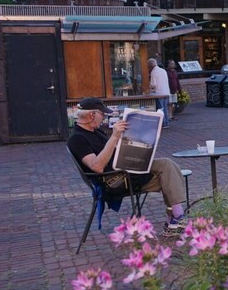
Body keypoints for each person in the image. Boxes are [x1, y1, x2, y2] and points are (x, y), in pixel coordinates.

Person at [67, 97, 187, 235]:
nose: (104, 118)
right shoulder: (77, 139)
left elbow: (114, 151)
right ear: (91, 115)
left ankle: (175, 219)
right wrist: (114, 137)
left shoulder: (96, 132)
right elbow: (97, 166)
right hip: (115, 181)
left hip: (125, 168)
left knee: (168, 166)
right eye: (102, 114)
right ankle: (176, 218)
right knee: (168, 174)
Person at [147, 58, 170, 128]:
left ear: (150, 65)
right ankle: (166, 123)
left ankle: (163, 123)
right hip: (166, 92)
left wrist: (148, 87)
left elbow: (153, 84)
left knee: (160, 109)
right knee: (165, 108)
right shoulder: (163, 70)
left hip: (159, 93)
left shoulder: (154, 72)